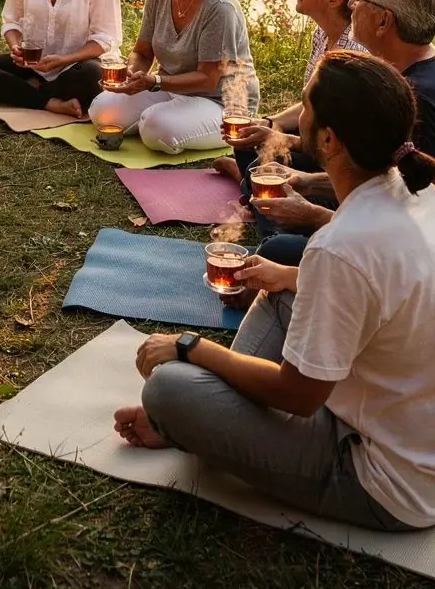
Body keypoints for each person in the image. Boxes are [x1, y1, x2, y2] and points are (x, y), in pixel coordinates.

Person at [114, 51, 435, 532]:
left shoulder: (343, 248)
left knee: (167, 386)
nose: (298, 114)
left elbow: (298, 396)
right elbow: (370, 288)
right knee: (283, 287)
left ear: (328, 138)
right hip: (396, 426)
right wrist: (285, 275)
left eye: (305, 105)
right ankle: (203, 419)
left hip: (380, 477)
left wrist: (190, 348)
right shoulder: (415, 194)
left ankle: (193, 417)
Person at [252, 0, 435, 265]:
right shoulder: (393, 76)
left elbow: (405, 231)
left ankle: (292, 247)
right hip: (372, 218)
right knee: (266, 171)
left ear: (383, 21)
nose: (350, 5)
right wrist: (305, 181)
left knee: (275, 250)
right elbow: (381, 177)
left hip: (398, 253)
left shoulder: (417, 101)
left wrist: (313, 217)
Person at [89, 0, 258, 153]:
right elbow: (143, 52)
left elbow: (207, 79)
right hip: (170, 89)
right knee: (102, 110)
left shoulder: (219, 9)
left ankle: (165, 119)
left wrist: (155, 82)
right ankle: (164, 116)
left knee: (155, 127)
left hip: (221, 103)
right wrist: (133, 76)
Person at [216, 0, 369, 187]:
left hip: (334, 152)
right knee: (251, 139)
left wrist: (282, 138)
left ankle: (244, 181)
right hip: (314, 135)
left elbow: (342, 145)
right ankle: (247, 181)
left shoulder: (354, 55)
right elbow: (312, 104)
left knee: (265, 166)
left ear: (334, 0)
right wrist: (270, 122)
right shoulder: (321, 34)